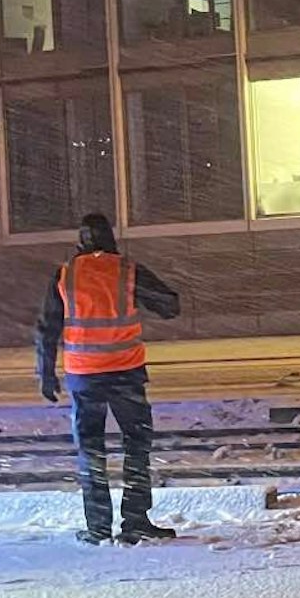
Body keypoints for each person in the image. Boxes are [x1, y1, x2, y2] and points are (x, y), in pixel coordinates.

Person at [35, 213, 182, 545]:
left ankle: (98, 526)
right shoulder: (127, 270)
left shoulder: (65, 275)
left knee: (91, 451)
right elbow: (170, 306)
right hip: (125, 374)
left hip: (84, 377)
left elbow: (47, 328)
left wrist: (45, 372)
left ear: (80, 241)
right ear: (110, 238)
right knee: (136, 445)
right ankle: (135, 521)